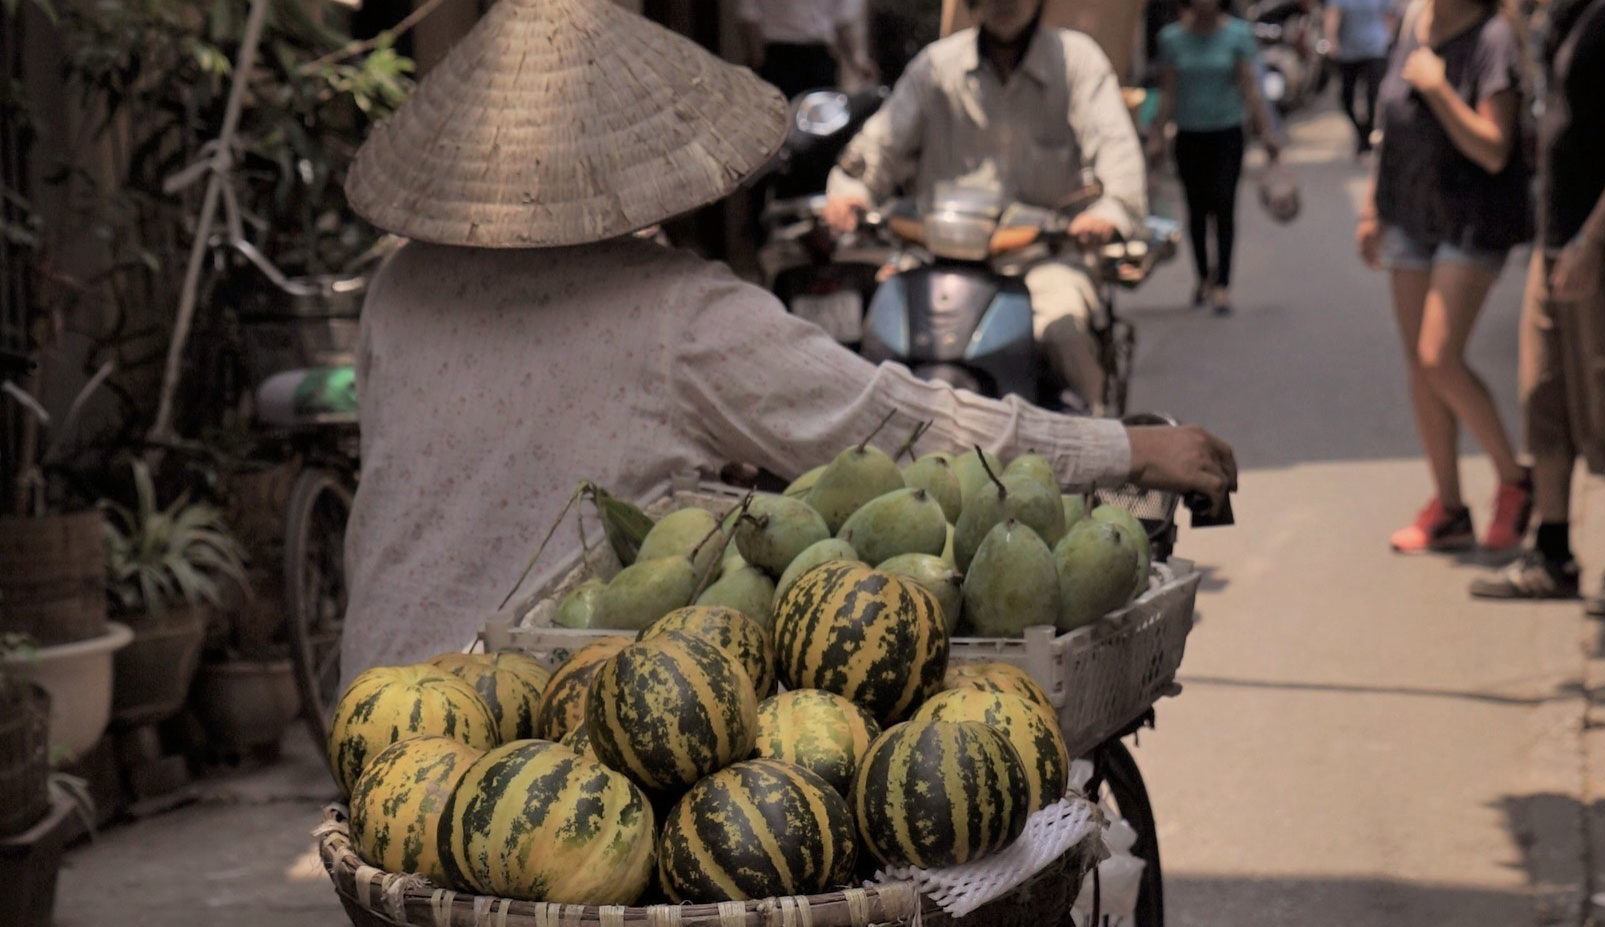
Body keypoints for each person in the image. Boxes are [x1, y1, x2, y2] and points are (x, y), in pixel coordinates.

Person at [337, 0, 1240, 680]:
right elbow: (900, 429)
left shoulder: (397, 285)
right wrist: (1127, 445)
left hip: (379, 719)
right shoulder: (681, 320)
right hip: (537, 724)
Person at [820, 0, 1145, 414]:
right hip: (934, 260)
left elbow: (1119, 153)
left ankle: (1098, 442)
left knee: (1061, 333)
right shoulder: (935, 67)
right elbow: (878, 147)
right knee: (874, 337)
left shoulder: (1078, 61)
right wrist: (850, 192)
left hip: (1040, 261)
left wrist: (1109, 212)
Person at [1470, 0, 1605, 615]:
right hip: (1556, 243)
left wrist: (1595, 237)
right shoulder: (1561, 16)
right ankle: (1553, 553)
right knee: (1546, 402)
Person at [1356, 0, 1533, 554]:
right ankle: (1450, 508)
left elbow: (1494, 148)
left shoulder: (1494, 37)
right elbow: (1389, 124)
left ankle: (1514, 479)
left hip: (1472, 217)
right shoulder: (1414, 19)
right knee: (1419, 366)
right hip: (1410, 210)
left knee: (1439, 356)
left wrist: (1438, 87)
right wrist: (1371, 208)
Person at [1148, 0, 1284, 315]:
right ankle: (1203, 278)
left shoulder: (1237, 34)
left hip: (1227, 133)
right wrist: (1156, 136)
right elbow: (1168, 91)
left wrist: (1268, 134)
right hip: (1189, 135)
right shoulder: (1171, 38)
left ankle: (1223, 284)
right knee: (1195, 210)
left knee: (1223, 205)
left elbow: (1250, 86)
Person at [738, 0, 875, 98]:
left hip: (814, 56)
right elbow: (748, 17)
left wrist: (858, 60)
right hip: (779, 56)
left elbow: (749, 17)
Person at [1325, 0, 1400, 156]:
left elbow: (1390, 17)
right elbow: (1332, 16)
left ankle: (1370, 141)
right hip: (1348, 53)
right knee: (1346, 99)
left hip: (1376, 50)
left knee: (1374, 97)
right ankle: (1362, 132)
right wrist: (1331, 41)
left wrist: (1396, 45)